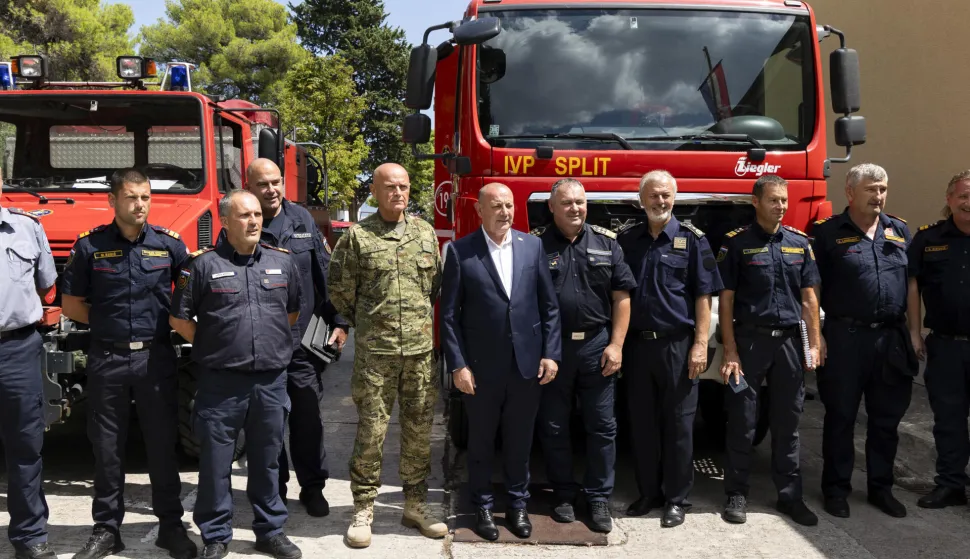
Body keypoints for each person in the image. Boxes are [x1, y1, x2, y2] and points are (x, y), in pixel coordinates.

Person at [59, 168, 196, 559]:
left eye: (146, 197)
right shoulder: (90, 246)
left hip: (156, 358)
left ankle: (171, 527)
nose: (141, 205)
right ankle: (106, 529)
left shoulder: (170, 246)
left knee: (160, 447)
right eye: (133, 197)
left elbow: (187, 297)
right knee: (107, 449)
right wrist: (111, 326)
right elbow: (71, 306)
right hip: (108, 358)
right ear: (113, 201)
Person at [170, 190, 302, 559]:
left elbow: (290, 313)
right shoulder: (201, 266)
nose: (254, 221)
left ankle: (270, 530)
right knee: (215, 464)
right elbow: (179, 319)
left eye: (258, 215)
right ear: (225, 222)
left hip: (270, 382)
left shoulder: (283, 262)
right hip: (220, 384)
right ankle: (215, 535)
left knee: (268, 460)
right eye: (245, 216)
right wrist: (215, 347)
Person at [327, 163, 447, 548]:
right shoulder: (357, 238)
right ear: (375, 192)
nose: (398, 192)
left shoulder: (426, 234)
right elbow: (341, 291)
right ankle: (363, 509)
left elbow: (433, 288)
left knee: (417, 432)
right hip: (375, 356)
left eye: (404, 186)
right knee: (371, 432)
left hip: (418, 355)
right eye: (390, 187)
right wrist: (372, 321)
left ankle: (415, 504)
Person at [440, 182, 562, 541]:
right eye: (496, 206)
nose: (505, 212)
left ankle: (517, 505)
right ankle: (480, 505)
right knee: (480, 443)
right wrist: (458, 365)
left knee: (519, 442)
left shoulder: (533, 246)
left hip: (526, 366)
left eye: (509, 206)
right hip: (479, 370)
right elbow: (448, 316)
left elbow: (549, 306)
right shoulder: (461, 252)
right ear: (480, 210)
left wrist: (551, 353)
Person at [244, 158, 349, 516]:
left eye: (276, 182)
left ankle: (313, 487)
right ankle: (275, 489)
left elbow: (323, 270)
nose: (271, 190)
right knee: (268, 423)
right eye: (263, 184)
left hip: (303, 341)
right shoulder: (240, 220)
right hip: (260, 345)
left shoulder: (301, 219)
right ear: (249, 187)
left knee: (307, 418)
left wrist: (339, 320)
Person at [810, 163, 916, 519]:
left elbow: (913, 285)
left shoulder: (898, 230)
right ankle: (836, 489)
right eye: (871, 189)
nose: (879, 196)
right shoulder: (826, 234)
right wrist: (816, 336)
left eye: (883, 189)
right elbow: (811, 289)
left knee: (886, 420)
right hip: (845, 338)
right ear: (851, 192)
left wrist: (915, 333)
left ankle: (880, 488)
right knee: (840, 416)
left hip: (890, 339)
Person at [617, 170, 722, 528]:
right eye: (654, 196)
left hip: (678, 346)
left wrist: (700, 345)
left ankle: (677, 499)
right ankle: (649, 493)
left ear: (674, 198)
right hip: (636, 348)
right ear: (641, 198)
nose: (660, 202)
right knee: (642, 424)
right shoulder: (628, 239)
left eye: (666, 196)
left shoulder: (693, 240)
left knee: (679, 426)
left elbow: (703, 296)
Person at [717, 174, 821, 527]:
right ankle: (736, 493)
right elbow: (726, 301)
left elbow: (809, 298)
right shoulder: (736, 245)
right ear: (756, 202)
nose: (780, 206)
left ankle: (789, 496)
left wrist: (816, 343)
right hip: (750, 343)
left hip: (790, 343)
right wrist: (729, 349)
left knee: (787, 422)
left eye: (783, 200)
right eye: (774, 200)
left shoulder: (799, 244)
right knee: (743, 421)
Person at [532, 178, 635, 533]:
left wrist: (616, 345)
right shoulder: (534, 245)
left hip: (597, 345)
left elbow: (622, 298)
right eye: (567, 203)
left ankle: (598, 498)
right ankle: (562, 492)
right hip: (554, 349)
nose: (575, 208)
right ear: (552, 206)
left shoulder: (608, 243)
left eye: (580, 202)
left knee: (603, 426)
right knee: (554, 425)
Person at [0, 166, 57, 559]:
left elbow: (46, 282)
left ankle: (30, 537)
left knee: (25, 446)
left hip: (16, 348)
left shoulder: (27, 228)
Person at [907, 169, 970, 510]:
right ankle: (950, 484)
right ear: (949, 200)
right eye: (962, 196)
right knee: (948, 419)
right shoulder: (928, 238)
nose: (968, 203)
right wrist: (915, 332)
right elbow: (913, 285)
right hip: (945, 344)